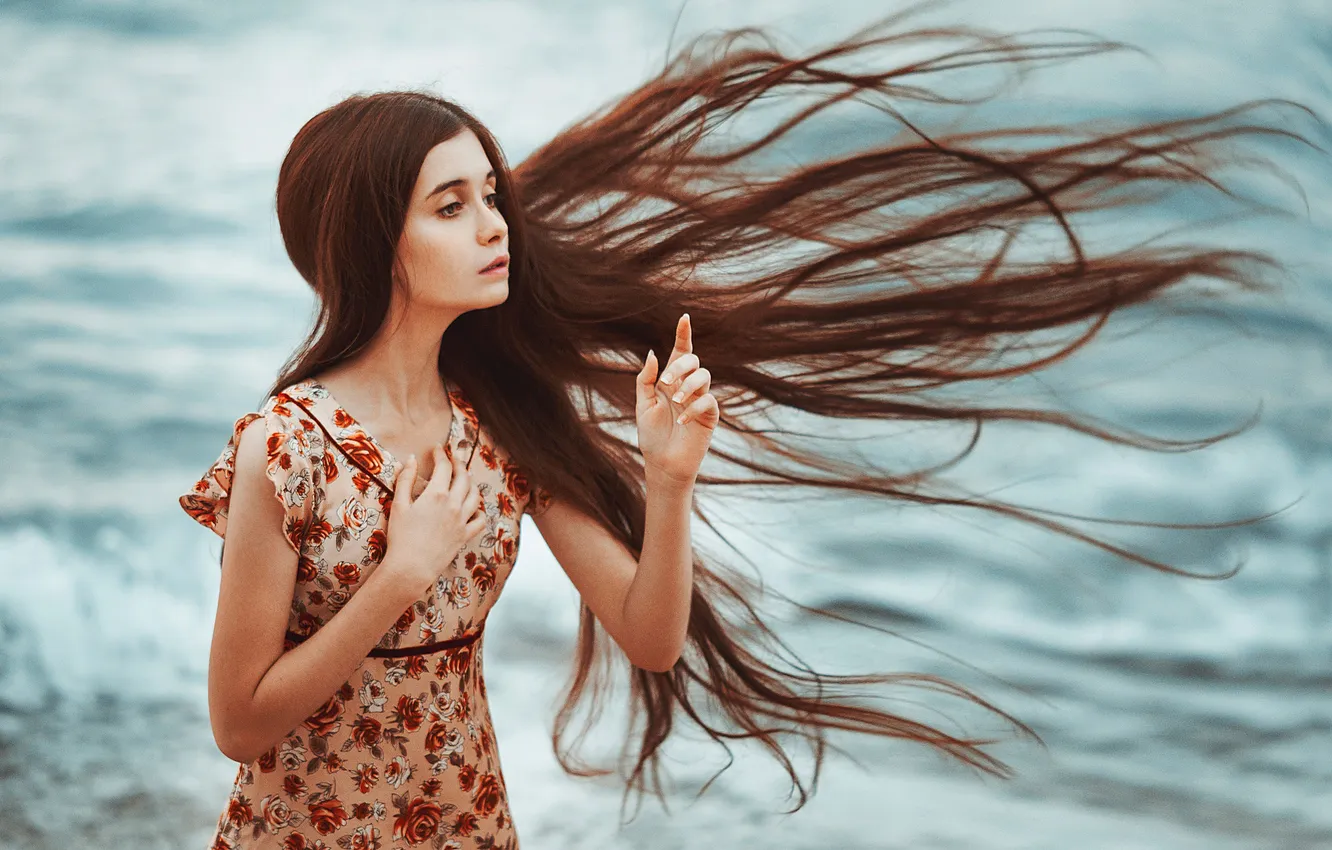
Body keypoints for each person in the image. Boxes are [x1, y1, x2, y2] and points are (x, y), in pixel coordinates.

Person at [179, 10, 1302, 849]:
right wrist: (397, 577)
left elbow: (650, 635)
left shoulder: (500, 424)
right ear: (378, 242)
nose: (494, 225)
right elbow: (238, 722)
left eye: (491, 194)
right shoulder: (286, 445)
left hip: (467, 820)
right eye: (451, 204)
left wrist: (670, 483)